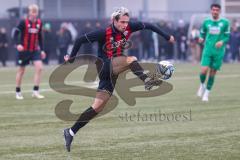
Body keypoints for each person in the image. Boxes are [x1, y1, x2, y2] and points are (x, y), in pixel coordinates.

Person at [63, 7, 175, 152]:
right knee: (131, 59)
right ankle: (147, 81)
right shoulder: (104, 32)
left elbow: (150, 26)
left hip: (114, 70)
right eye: (121, 22)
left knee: (97, 107)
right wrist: (71, 58)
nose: (124, 25)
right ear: (114, 21)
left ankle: (70, 132)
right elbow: (79, 40)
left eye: (126, 22)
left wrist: (167, 36)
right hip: (104, 66)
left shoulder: (130, 27)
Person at [197, 3, 230, 102]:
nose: (215, 12)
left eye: (217, 10)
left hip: (218, 52)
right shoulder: (206, 22)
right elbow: (202, 33)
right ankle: (202, 85)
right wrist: (201, 38)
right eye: (213, 10)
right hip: (208, 49)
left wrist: (222, 41)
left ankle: (206, 93)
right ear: (211, 11)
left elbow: (227, 36)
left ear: (219, 11)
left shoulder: (225, 22)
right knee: (203, 70)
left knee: (212, 73)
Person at [14, 4, 46, 100]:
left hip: (35, 50)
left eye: (36, 12)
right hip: (24, 51)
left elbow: (40, 37)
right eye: (32, 12)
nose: (34, 14)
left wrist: (42, 50)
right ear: (29, 12)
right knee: (21, 71)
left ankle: (35, 91)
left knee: (39, 68)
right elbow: (15, 33)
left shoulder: (39, 23)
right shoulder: (23, 22)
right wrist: (18, 44)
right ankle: (18, 92)